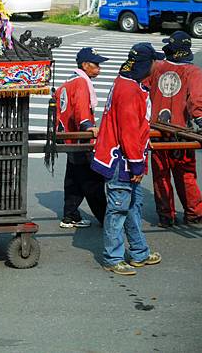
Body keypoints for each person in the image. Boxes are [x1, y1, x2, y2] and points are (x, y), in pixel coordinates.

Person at [92, 43, 164, 276]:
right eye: (154, 61)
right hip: (120, 159)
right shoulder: (129, 90)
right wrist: (136, 163)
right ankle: (112, 257)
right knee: (119, 208)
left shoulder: (124, 82)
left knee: (133, 206)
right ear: (147, 64)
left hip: (124, 154)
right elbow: (129, 130)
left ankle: (139, 252)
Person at [148, 31, 202, 227]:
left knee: (161, 174)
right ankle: (194, 213)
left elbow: (143, 88)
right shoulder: (193, 72)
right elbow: (196, 102)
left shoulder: (157, 68)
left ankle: (166, 215)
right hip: (182, 134)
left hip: (156, 131)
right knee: (186, 175)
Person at [56, 47, 108, 228]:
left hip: (69, 137)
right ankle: (107, 219)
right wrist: (88, 126)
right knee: (93, 180)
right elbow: (81, 109)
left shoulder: (68, 81)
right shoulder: (81, 83)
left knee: (73, 179)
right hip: (80, 138)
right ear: (85, 65)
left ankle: (70, 216)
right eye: (96, 65)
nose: (99, 69)